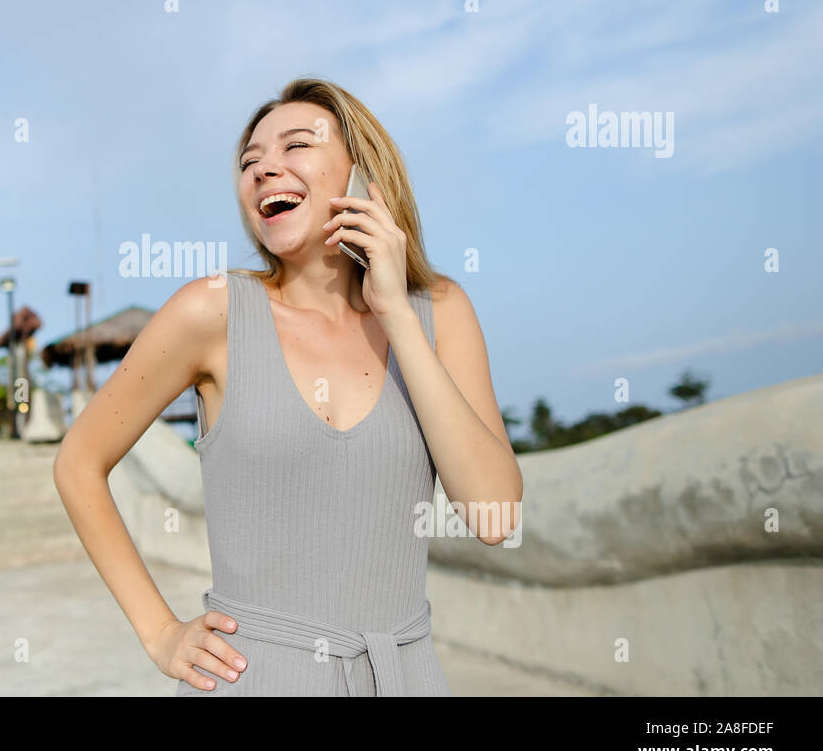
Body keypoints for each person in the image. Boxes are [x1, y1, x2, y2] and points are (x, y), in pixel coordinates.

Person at [54, 78, 523, 695]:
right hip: (257, 678)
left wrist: (398, 317)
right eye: (251, 162)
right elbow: (79, 461)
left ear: (363, 175)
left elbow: (496, 515)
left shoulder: (439, 312)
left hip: (405, 677)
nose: (265, 169)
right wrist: (160, 631)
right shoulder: (213, 312)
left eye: (296, 146)